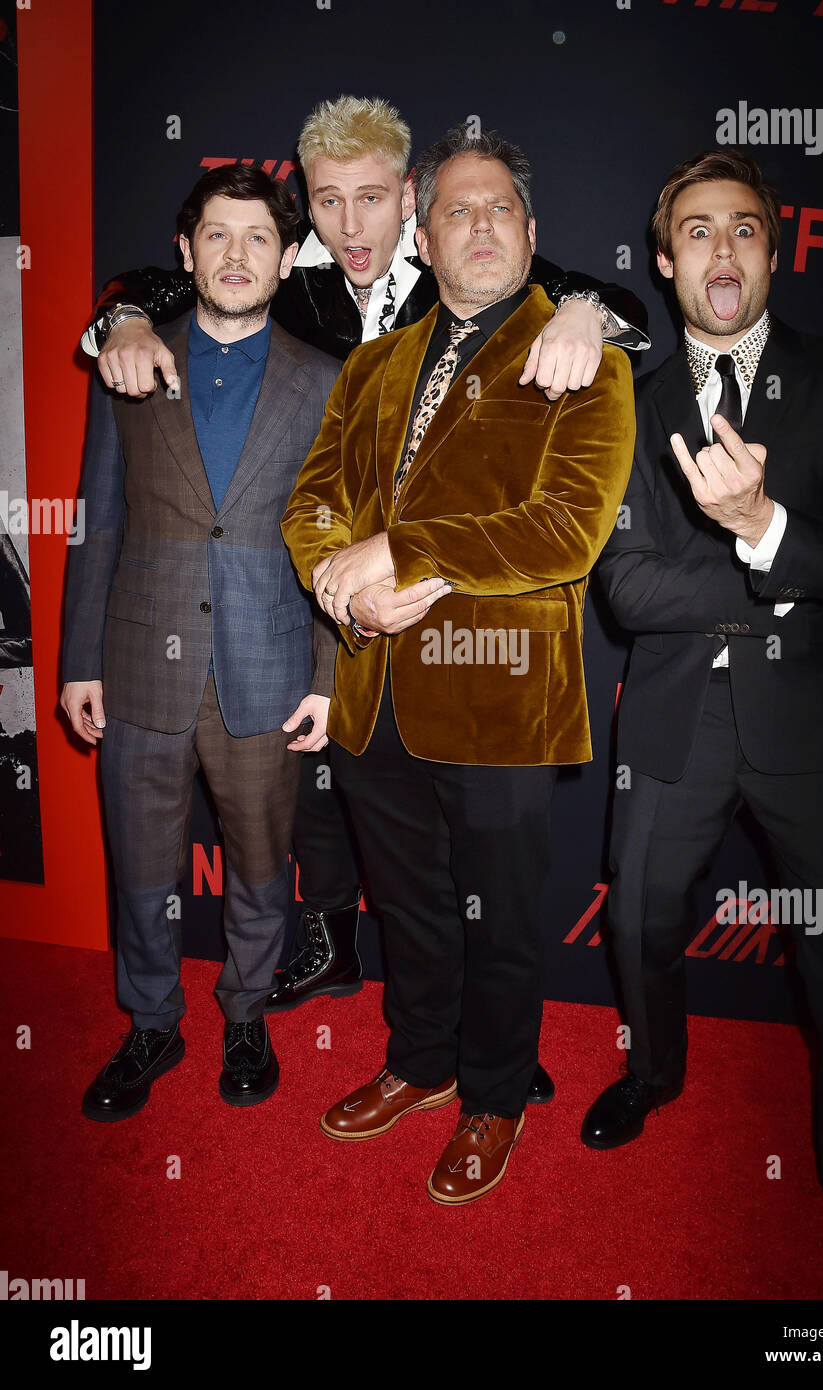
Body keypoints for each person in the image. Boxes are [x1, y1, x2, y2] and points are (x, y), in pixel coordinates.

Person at [79, 95, 649, 1103]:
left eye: (371, 199)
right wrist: (119, 313)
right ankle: (402, 1035)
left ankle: (494, 1073)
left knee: (493, 901)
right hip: (352, 655)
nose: (349, 224)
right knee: (390, 884)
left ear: (409, 216)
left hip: (491, 668)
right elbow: (175, 287)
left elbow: (574, 486)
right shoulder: (297, 299)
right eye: (328, 202)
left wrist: (586, 309)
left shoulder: (529, 305)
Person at [281, 126, 635, 1204]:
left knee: (499, 911)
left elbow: (563, 532)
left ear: (531, 235)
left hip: (501, 697)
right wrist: (336, 578)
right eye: (455, 213)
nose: (478, 227)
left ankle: (490, 1093)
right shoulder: (375, 365)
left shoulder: (588, 359)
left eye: (499, 211)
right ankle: (421, 1058)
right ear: (422, 241)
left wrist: (403, 549)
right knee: (411, 901)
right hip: (372, 685)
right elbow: (312, 504)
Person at [583, 149, 823, 1299]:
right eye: (698, 233)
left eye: (745, 230)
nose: (722, 250)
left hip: (809, 727)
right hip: (672, 724)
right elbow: (626, 589)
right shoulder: (626, 400)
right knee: (636, 930)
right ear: (665, 264)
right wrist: (773, 564)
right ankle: (653, 1073)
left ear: (772, 251)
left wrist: (761, 523)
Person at [61, 164, 346, 1119]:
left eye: (259, 237)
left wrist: (326, 670)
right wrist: (78, 663)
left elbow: (335, 538)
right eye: (217, 236)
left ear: (290, 254)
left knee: (263, 865)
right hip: (140, 661)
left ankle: (247, 1013)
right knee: (140, 866)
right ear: (185, 254)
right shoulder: (131, 359)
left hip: (267, 673)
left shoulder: (325, 380)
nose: (237, 254)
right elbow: (98, 519)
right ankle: (149, 1025)